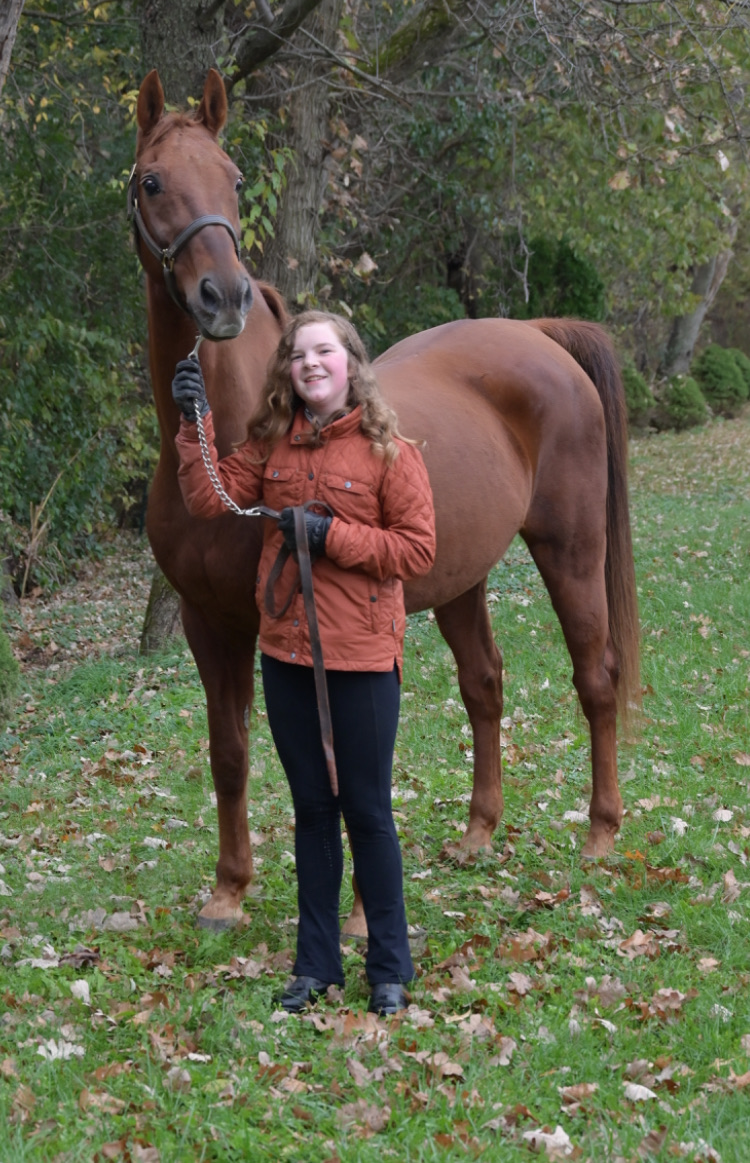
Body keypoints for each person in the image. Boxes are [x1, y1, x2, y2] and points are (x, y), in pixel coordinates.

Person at [171, 310, 436, 1016]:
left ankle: (388, 965)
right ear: (288, 370)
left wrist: (331, 535)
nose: (310, 363)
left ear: (351, 362)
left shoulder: (390, 452)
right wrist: (192, 420)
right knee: (312, 810)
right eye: (298, 354)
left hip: (362, 658)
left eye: (325, 351)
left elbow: (416, 550)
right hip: (286, 652)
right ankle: (316, 965)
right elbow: (210, 497)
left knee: (368, 811)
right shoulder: (272, 447)